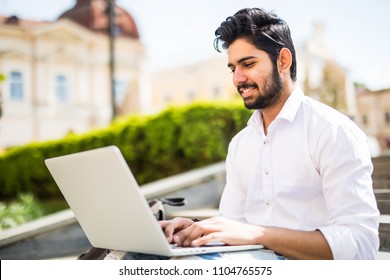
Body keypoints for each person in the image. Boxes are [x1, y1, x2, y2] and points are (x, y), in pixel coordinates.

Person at [159, 7, 380, 260]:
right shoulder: (241, 144)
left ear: (283, 61)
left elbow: (361, 244)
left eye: (248, 64)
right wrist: (197, 230)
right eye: (233, 68)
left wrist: (259, 234)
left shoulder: (332, 131)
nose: (238, 79)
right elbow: (235, 226)